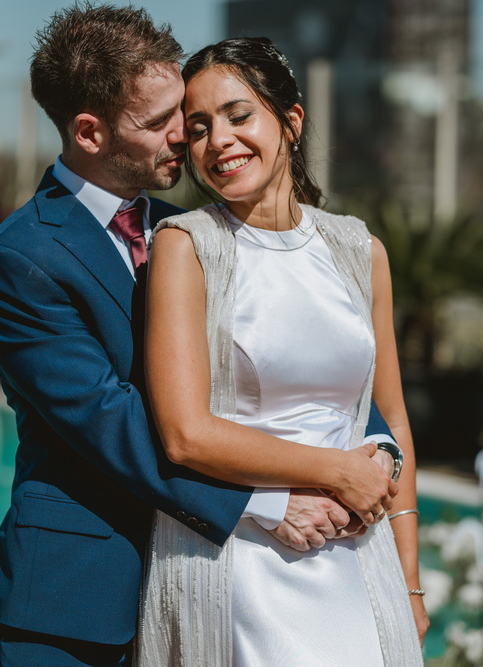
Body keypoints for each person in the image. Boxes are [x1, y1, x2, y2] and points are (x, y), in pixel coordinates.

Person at [0, 5, 399, 665]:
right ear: (89, 131)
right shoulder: (17, 261)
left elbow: (303, 347)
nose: (186, 135)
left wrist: (377, 445)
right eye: (162, 120)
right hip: (80, 597)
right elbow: (111, 417)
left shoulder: (198, 233)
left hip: (213, 576)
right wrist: (266, 500)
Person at [136, 37, 428, 666]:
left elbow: (393, 419)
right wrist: (337, 470)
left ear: (290, 122)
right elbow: (186, 435)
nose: (219, 141)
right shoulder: (185, 247)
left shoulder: (359, 250)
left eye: (239, 116)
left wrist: (408, 579)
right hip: (241, 569)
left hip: (362, 567)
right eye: (199, 127)